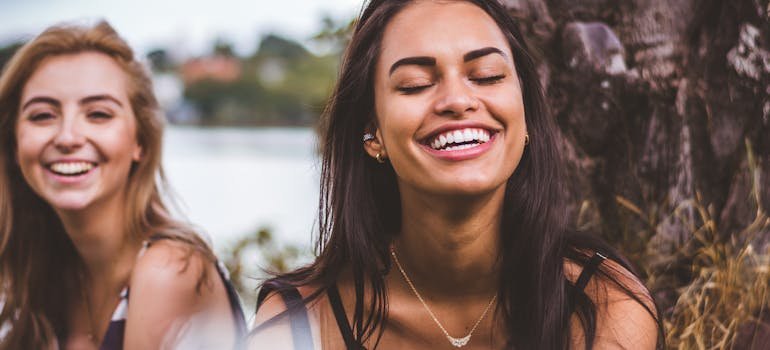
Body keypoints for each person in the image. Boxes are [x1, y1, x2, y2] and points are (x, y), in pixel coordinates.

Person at [250, 0, 661, 348]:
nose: (458, 100)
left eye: (487, 76)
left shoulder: (602, 305)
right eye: (414, 84)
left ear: (527, 115)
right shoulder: (299, 325)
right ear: (372, 132)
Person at [0, 21, 246, 349]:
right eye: (43, 115)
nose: (68, 137)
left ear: (140, 142)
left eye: (99, 114)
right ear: (14, 142)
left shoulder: (169, 270)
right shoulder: (34, 272)